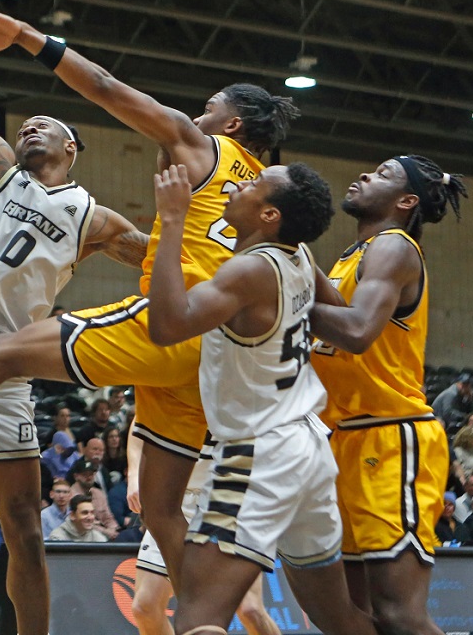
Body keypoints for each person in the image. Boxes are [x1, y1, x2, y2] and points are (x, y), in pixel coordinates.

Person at [0, 1, 300, 594]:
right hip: (226, 362)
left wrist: (26, 37)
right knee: (164, 512)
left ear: (233, 124)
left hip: (174, 326)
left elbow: (107, 87)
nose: (198, 114)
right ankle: (200, 616)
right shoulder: (265, 199)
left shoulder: (203, 149)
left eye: (209, 107)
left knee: (3, 353)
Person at [146, 162, 378, 635]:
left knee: (196, 615)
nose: (238, 186)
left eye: (253, 185)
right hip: (308, 448)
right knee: (340, 619)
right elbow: (344, 324)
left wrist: (172, 220)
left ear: (270, 215)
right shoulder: (298, 256)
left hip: (258, 452)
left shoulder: (249, 271)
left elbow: (167, 326)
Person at [310, 155, 467, 635]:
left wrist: (279, 290)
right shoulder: (349, 257)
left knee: (400, 616)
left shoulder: (395, 247)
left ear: (407, 201)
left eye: (382, 174)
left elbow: (356, 331)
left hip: (389, 437)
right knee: (361, 620)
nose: (362, 175)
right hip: (343, 440)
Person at [127, 427, 279, 635]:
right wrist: (134, 472)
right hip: (179, 501)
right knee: (145, 607)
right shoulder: (171, 394)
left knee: (250, 609)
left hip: (231, 495)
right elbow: (140, 422)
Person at [67, 457, 118, 540]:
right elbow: (79, 522)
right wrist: (105, 531)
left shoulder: (99, 493)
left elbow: (108, 516)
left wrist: (113, 529)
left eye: (91, 474)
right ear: (76, 476)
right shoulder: (70, 495)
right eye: (85, 474)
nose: (89, 477)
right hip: (81, 535)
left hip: (106, 533)